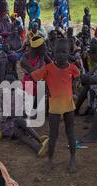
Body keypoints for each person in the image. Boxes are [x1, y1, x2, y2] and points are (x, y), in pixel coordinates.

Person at [22, 38, 80, 173]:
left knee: (70, 132)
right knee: (53, 134)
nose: (61, 54)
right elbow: (33, 76)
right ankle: (50, 160)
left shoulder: (72, 68)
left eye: (64, 52)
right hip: (54, 106)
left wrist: (74, 89)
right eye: (58, 52)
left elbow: (77, 77)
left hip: (68, 105)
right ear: (52, 53)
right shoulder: (48, 68)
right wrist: (27, 63)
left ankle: (72, 159)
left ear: (69, 53)